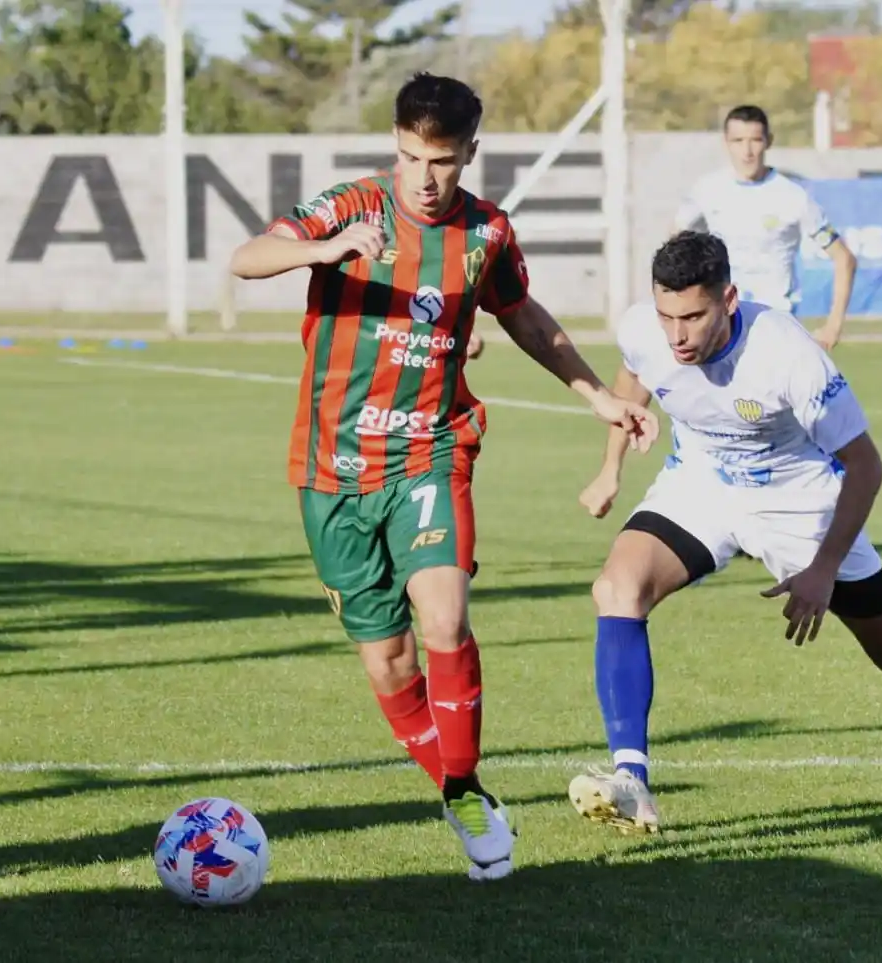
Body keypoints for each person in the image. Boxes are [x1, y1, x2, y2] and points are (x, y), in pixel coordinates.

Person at [229, 72, 658, 880]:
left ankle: (460, 789)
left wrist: (598, 394)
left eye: (443, 160)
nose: (425, 178)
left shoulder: (487, 231)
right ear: (395, 145)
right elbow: (247, 257)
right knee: (391, 663)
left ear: (469, 153)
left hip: (431, 449)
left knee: (445, 617)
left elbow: (522, 314)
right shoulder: (353, 207)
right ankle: (467, 793)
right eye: (411, 157)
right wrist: (321, 251)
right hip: (331, 469)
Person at [568, 231, 882, 835]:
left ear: (729, 299)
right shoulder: (644, 329)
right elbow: (634, 377)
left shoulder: (787, 354)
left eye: (693, 317)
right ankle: (632, 781)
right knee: (617, 589)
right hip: (701, 486)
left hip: (799, 501)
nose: (676, 334)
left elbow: (867, 467)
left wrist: (823, 569)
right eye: (666, 316)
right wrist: (611, 467)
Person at [674, 104, 856, 351]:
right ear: (726, 143)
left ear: (769, 141)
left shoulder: (792, 196)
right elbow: (674, 245)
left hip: (775, 324)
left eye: (755, 140)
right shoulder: (707, 190)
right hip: (722, 324)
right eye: (738, 141)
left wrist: (833, 326)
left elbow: (844, 258)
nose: (747, 151)